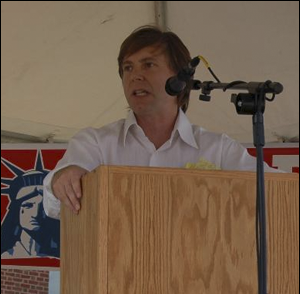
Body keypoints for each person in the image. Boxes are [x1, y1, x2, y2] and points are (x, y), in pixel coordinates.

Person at [43, 25, 279, 220]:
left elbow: (278, 192)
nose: (135, 75)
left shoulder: (218, 149)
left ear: (180, 77)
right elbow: (54, 205)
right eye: (128, 68)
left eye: (148, 64)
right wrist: (60, 179)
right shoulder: (95, 143)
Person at [1, 155, 60, 258]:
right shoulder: (7, 255)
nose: (35, 213)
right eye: (28, 206)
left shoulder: (62, 256)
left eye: (43, 207)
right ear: (17, 211)